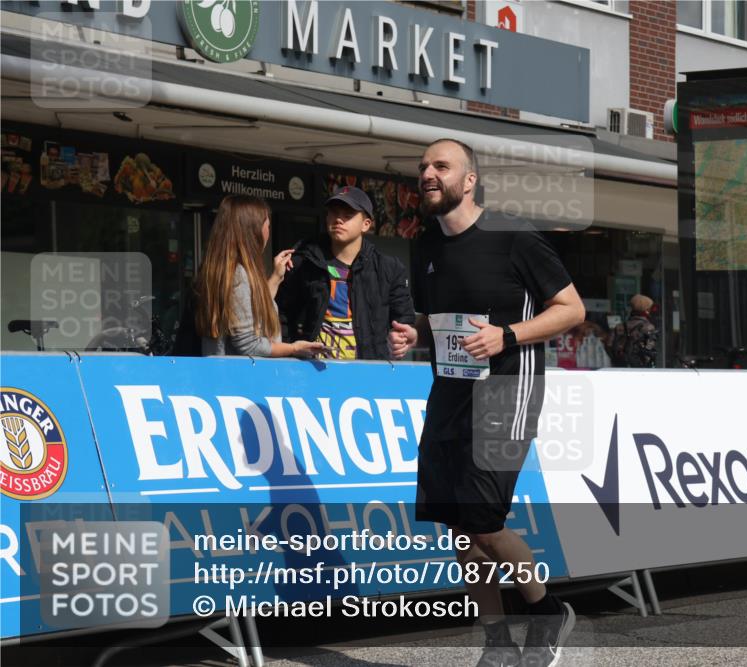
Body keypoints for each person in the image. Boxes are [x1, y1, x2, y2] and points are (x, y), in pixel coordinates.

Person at [391, 138, 586, 667]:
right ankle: (497, 641)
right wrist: (417, 336)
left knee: (482, 517)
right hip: (449, 391)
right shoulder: (427, 247)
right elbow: (446, 324)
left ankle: (547, 610)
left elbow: (570, 309)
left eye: (441, 166)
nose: (428, 174)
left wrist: (510, 335)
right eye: (423, 166)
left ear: (469, 179)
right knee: (458, 524)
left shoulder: (515, 237)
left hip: (506, 391)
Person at [276, 186, 415, 360]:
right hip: (313, 372)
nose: (338, 219)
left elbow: (404, 320)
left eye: (348, 215)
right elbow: (282, 315)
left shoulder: (389, 268)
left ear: (366, 224)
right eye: (333, 213)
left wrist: (402, 337)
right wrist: (290, 354)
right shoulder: (304, 262)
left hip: (368, 374)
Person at [196, 195, 324, 358]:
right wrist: (293, 348)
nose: (268, 232)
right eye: (268, 225)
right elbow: (249, 344)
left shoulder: (221, 270)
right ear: (254, 230)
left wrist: (276, 278)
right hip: (244, 379)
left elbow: (251, 314)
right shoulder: (238, 274)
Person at [623, 294, 658, 368]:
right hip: (641, 367)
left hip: (621, 367)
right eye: (649, 309)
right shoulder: (648, 327)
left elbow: (610, 345)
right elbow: (649, 348)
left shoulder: (620, 326)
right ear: (646, 310)